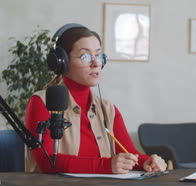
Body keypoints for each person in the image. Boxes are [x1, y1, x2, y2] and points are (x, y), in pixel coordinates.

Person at [25, 23, 167, 174]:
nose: (96, 63)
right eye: (85, 56)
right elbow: (46, 162)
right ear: (62, 62)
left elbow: (128, 153)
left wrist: (148, 162)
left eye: (99, 55)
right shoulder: (41, 102)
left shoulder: (108, 109)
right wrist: (106, 165)